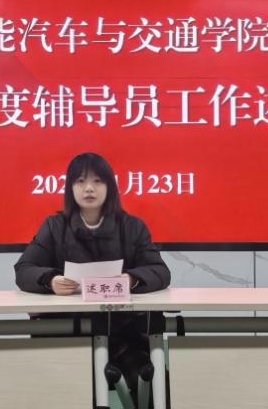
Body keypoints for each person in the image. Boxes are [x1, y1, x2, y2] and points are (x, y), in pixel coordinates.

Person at [14, 152, 171, 400]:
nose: (89, 188)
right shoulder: (55, 227)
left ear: (110, 186)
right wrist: (50, 280)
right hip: (67, 333)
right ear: (70, 188)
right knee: (61, 389)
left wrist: (131, 280)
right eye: (80, 181)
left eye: (97, 181)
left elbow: (160, 271)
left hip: (124, 335)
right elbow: (24, 269)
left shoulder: (132, 227)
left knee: (154, 383)